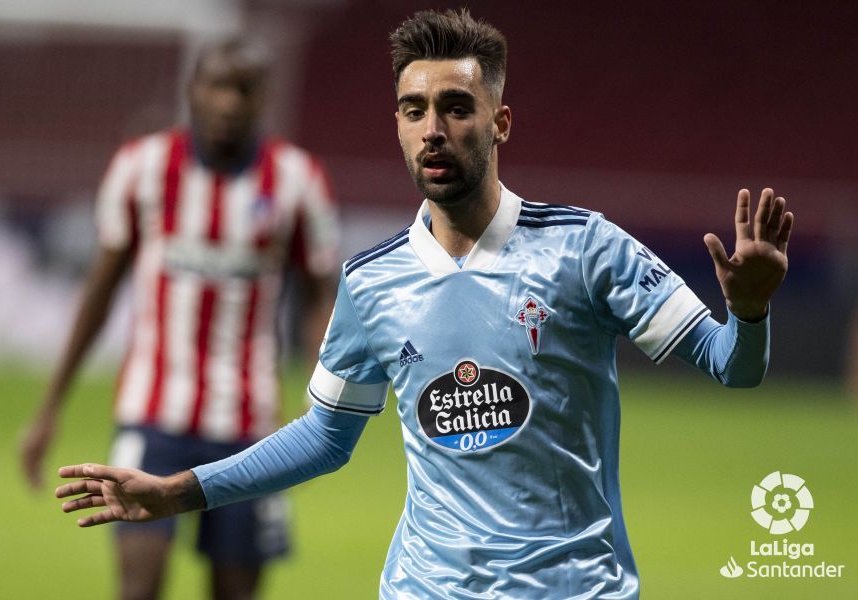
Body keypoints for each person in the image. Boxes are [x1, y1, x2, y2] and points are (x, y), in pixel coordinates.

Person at [55, 10, 793, 599]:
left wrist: (750, 316)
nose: (432, 128)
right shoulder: (372, 282)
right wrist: (176, 493)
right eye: (414, 110)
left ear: (500, 123)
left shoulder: (585, 248)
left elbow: (733, 368)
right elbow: (324, 437)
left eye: (455, 107)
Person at [24, 37, 339, 600]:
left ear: (262, 98)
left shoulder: (297, 180)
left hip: (250, 426)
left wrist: (324, 393)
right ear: (192, 89)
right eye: (215, 85)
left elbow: (321, 296)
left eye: (242, 89)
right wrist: (50, 406)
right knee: (137, 589)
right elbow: (99, 291)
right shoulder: (141, 168)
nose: (227, 102)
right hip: (152, 417)